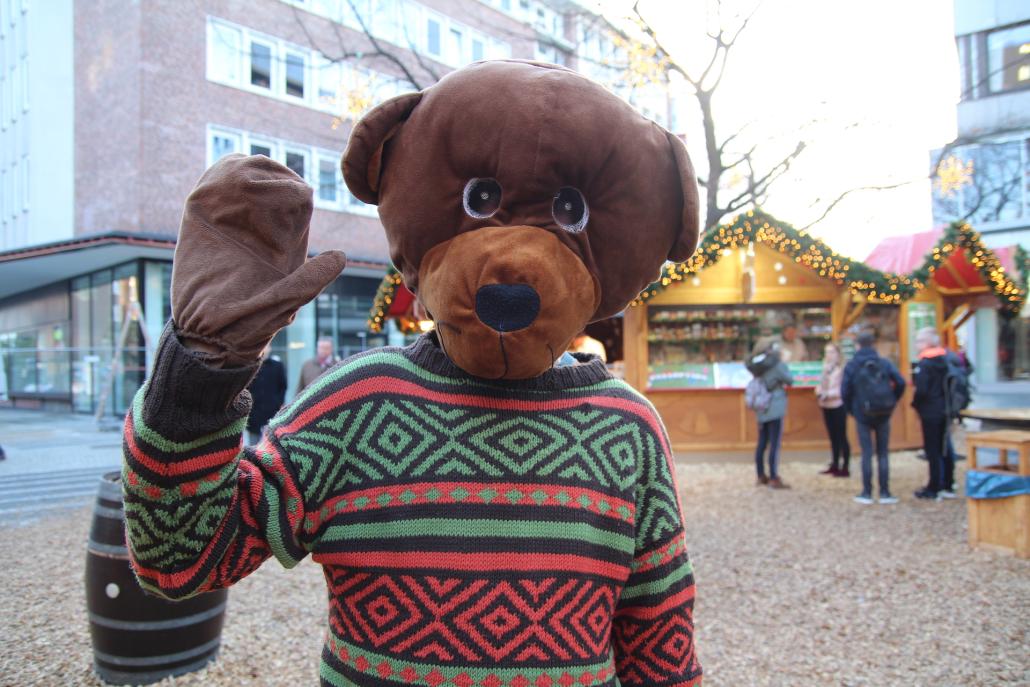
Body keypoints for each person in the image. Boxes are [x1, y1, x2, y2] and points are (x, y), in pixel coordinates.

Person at [842, 329, 906, 505]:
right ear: (873, 344)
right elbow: (900, 382)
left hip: (862, 411)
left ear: (857, 345)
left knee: (866, 452)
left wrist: (851, 410)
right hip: (884, 411)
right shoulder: (884, 363)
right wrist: (893, 401)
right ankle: (885, 492)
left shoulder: (852, 365)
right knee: (883, 452)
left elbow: (845, 390)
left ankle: (867, 492)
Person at [911, 327, 955, 500]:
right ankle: (948, 483)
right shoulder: (946, 360)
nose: (916, 344)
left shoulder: (925, 364)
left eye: (919, 340)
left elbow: (921, 390)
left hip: (930, 410)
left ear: (928, 342)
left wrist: (915, 404)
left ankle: (934, 486)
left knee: (933, 449)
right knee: (945, 445)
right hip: (945, 408)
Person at [746, 343, 793, 489]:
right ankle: (773, 477)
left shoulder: (756, 365)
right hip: (775, 405)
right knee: (774, 443)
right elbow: (790, 380)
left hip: (761, 406)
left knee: (762, 442)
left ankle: (760, 475)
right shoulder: (777, 365)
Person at [816, 342, 850, 477]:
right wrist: (819, 391)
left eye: (831, 352)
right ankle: (835, 463)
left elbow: (843, 389)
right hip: (826, 405)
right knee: (832, 437)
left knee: (841, 436)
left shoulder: (842, 369)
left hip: (838, 405)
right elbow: (820, 384)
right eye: (826, 352)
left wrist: (828, 394)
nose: (828, 355)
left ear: (838, 354)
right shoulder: (825, 368)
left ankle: (845, 466)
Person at [245, 346, 287, 445]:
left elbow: (283, 386)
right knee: (253, 446)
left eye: (266, 347)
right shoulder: (250, 367)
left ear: (270, 348)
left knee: (271, 445)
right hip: (253, 414)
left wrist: (277, 403)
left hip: (271, 413)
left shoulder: (277, 366)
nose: (264, 349)